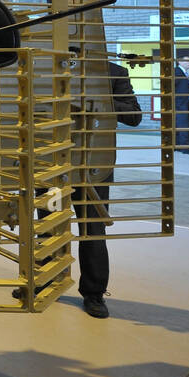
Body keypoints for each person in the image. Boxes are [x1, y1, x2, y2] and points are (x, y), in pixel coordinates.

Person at [75, 60, 143, 319]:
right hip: (50, 160)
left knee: (93, 228)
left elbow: (134, 116)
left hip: (94, 164)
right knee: (45, 224)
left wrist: (95, 103)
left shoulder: (113, 72)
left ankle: (94, 293)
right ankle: (44, 281)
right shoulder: (43, 67)